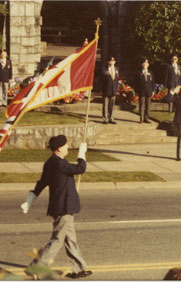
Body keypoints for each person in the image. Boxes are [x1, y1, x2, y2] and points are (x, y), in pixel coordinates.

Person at [20, 135, 92, 279]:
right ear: (59, 148)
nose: (67, 147)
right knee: (58, 240)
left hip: (61, 206)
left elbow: (42, 183)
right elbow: (80, 168)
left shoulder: (49, 163)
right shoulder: (60, 164)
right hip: (63, 207)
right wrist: (81, 154)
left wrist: (31, 198)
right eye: (66, 145)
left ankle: (79, 268)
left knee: (70, 238)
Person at [102, 57, 119, 124]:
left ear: (115, 62)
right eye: (110, 61)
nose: (112, 62)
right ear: (108, 62)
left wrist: (116, 89)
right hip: (106, 89)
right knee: (105, 105)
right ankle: (105, 119)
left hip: (113, 90)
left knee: (112, 105)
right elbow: (102, 81)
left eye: (113, 61)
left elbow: (116, 80)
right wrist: (102, 90)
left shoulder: (116, 69)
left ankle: (111, 118)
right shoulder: (104, 69)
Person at [138, 59, 155, 124]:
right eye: (144, 63)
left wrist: (153, 90)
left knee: (148, 105)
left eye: (146, 63)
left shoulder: (150, 72)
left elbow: (153, 82)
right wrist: (137, 91)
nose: (145, 64)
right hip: (141, 91)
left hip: (149, 90)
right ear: (142, 65)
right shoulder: (139, 72)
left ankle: (146, 118)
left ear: (148, 65)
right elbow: (136, 82)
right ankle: (141, 119)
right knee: (142, 105)